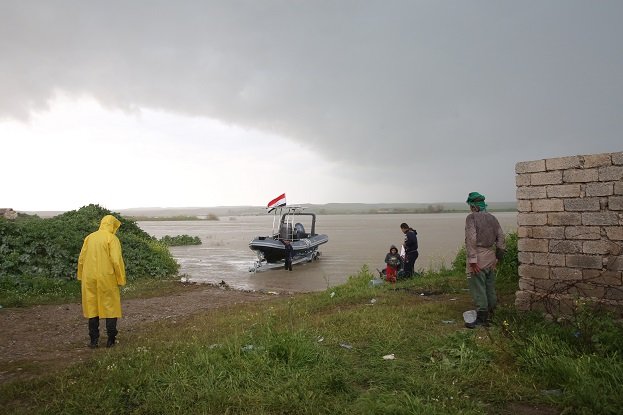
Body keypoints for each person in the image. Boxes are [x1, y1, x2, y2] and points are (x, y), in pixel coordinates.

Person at [77, 215, 126, 348]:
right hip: (107, 277)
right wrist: (121, 279)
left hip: (89, 277)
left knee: (92, 307)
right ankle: (111, 339)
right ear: (112, 225)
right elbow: (116, 260)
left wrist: (81, 275)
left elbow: (81, 259)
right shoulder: (112, 238)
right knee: (110, 306)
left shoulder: (89, 237)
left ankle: (93, 341)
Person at [464, 192, 505, 329]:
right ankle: (493, 314)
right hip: (491, 257)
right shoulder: (493, 218)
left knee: (478, 288)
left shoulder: (471, 218)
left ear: (474, 206)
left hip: (478, 256)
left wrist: (472, 260)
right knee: (489, 286)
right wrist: (498, 257)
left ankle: (482, 319)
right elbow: (501, 238)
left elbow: (471, 239)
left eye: (470, 205)